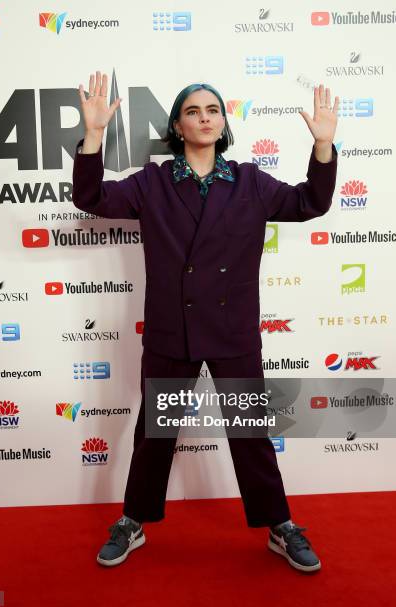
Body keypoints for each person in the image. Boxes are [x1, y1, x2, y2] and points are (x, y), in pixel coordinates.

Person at [72, 71, 339, 573]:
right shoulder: (151, 184)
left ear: (223, 123)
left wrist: (323, 146)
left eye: (212, 110)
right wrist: (93, 137)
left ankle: (279, 526)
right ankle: (133, 521)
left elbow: (311, 203)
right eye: (192, 111)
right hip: (173, 330)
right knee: (156, 434)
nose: (204, 118)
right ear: (177, 125)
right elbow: (92, 200)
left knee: (249, 433)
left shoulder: (251, 182)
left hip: (233, 329)